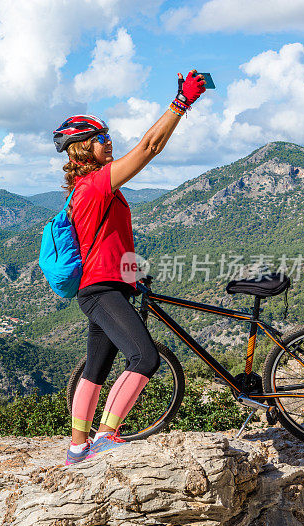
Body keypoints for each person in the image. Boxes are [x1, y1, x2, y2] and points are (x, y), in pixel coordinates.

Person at [57, 71, 206, 464]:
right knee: (145, 358)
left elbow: (111, 240)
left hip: (106, 287)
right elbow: (150, 146)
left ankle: (77, 447)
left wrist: (131, 275)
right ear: (83, 149)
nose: (109, 142)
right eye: (102, 138)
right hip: (101, 291)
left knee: (96, 367)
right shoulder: (95, 185)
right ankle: (107, 435)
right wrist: (181, 102)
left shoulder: (89, 190)